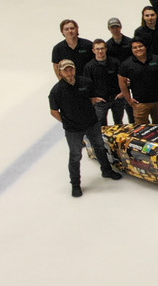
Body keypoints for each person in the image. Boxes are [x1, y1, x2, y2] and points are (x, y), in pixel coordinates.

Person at [49, 60, 121, 197]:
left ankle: (106, 170)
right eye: (65, 70)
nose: (69, 72)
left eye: (71, 69)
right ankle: (75, 184)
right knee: (75, 155)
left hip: (92, 123)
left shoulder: (85, 82)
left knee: (99, 146)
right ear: (60, 72)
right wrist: (67, 122)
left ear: (75, 69)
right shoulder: (56, 91)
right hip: (73, 130)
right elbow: (54, 111)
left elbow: (92, 98)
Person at [119, 38, 158, 125]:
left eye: (140, 46)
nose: (138, 49)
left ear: (145, 47)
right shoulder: (126, 64)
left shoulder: (157, 59)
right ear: (132, 49)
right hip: (140, 103)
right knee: (141, 129)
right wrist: (129, 99)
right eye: (135, 47)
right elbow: (122, 82)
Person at [83, 39, 128, 125]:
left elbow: (123, 79)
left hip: (117, 98)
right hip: (101, 101)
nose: (100, 51)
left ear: (106, 49)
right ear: (93, 50)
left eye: (102, 48)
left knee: (119, 123)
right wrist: (94, 98)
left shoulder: (115, 62)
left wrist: (123, 92)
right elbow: (87, 85)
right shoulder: (89, 67)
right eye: (97, 49)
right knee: (101, 125)